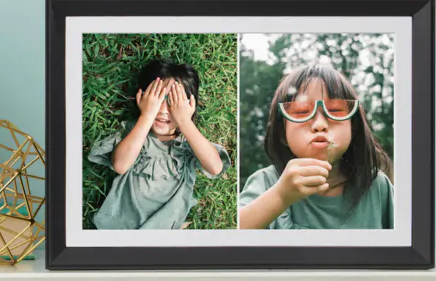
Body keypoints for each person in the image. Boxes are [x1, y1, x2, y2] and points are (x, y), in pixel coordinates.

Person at [239, 63, 394, 230]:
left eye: (335, 110)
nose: (320, 124)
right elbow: (226, 236)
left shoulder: (377, 186)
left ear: (353, 128)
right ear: (283, 134)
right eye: (301, 112)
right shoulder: (267, 182)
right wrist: (280, 197)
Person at [87, 58, 232, 230]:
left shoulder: (189, 144)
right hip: (121, 228)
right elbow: (120, 165)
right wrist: (146, 116)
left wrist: (185, 121)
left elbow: (215, 167)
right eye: (157, 99)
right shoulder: (136, 134)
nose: (163, 110)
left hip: (164, 233)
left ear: (190, 106)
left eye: (173, 102)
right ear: (142, 98)